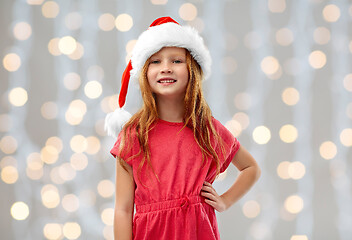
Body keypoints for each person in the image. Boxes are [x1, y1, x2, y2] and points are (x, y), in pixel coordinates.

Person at [105, 16, 261, 240]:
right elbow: (122, 209)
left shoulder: (207, 129)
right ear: (144, 73)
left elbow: (251, 168)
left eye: (176, 61)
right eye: (155, 62)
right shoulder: (134, 134)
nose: (166, 68)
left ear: (192, 70)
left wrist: (225, 201)